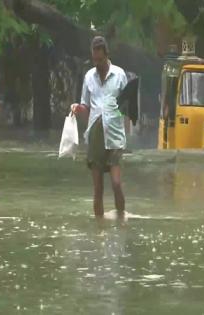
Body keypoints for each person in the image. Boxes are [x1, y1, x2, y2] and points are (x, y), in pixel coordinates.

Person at [71, 36, 128, 218]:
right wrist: (78, 109)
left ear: (106, 55)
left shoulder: (120, 75)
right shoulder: (89, 77)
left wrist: (127, 134)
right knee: (98, 189)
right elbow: (85, 105)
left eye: (100, 60)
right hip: (95, 135)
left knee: (116, 183)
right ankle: (99, 228)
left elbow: (127, 107)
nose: (97, 64)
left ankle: (121, 219)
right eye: (94, 60)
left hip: (115, 135)